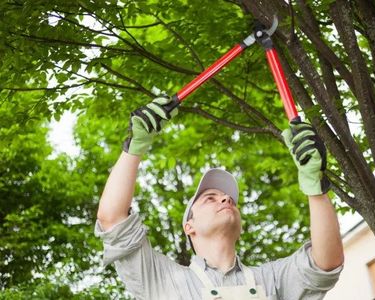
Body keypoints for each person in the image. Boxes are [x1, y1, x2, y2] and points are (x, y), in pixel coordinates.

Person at [95, 96, 344, 300]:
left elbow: (326, 262)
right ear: (188, 226)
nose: (225, 200)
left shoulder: (272, 279)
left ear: (241, 227)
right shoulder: (162, 280)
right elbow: (112, 219)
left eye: (230, 200)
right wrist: (135, 146)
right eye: (210, 198)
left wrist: (315, 186)